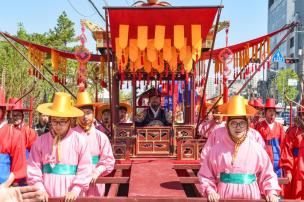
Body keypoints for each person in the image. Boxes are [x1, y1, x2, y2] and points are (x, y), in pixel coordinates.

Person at [198, 95, 281, 202]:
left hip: (251, 196)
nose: (238, 127)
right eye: (234, 123)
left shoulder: (257, 149)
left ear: (247, 125)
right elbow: (205, 174)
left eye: (242, 123)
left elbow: (268, 174)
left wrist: (271, 192)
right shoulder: (216, 150)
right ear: (227, 125)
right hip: (224, 196)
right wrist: (210, 190)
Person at [27, 92, 92, 201]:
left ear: (70, 121)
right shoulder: (40, 141)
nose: (57, 125)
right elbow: (34, 168)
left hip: (72, 195)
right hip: (46, 195)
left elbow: (85, 168)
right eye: (54, 121)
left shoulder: (80, 140)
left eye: (62, 122)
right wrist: (40, 189)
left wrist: (75, 190)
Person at [73, 91, 115, 197]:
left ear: (93, 114)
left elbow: (108, 160)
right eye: (81, 113)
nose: (85, 116)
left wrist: (97, 171)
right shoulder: (70, 135)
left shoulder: (101, 136)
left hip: (94, 178)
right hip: (74, 177)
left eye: (88, 113)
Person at [0, 87, 26, 188]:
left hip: (5, 189)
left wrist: (3, 187)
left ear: (2, 110)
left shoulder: (15, 135)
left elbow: (19, 168)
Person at [280, 100, 304, 199]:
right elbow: (287, 151)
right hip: (297, 168)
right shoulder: (293, 131)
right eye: (302, 114)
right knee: (296, 194)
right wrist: (288, 171)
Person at [255, 98, 285, 177]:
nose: (272, 113)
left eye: (273, 111)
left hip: (277, 156)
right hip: (264, 155)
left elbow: (283, 144)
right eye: (270, 111)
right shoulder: (259, 126)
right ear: (265, 113)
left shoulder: (279, 126)